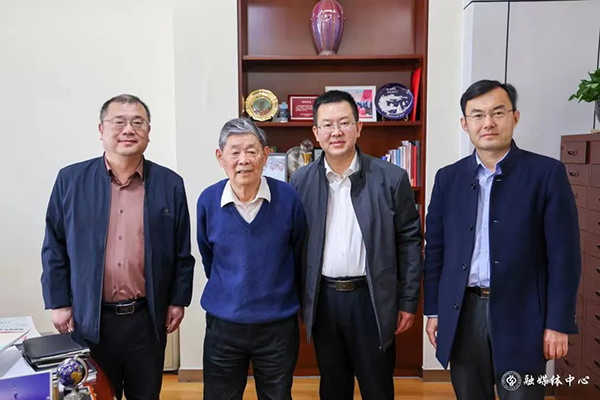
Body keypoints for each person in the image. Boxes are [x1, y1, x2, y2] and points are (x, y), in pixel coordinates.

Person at [423, 80, 581, 399]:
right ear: (465, 123)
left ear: (515, 117)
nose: (488, 123)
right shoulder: (448, 178)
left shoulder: (546, 174)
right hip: (464, 311)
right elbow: (436, 251)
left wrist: (558, 322)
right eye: (478, 115)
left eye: (498, 112)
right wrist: (434, 311)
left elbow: (564, 257)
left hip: (523, 313)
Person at [41, 94, 195, 400]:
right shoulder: (71, 180)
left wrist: (178, 301)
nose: (128, 130)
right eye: (119, 122)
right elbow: (54, 246)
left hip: (146, 319)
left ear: (148, 131)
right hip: (90, 318)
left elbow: (181, 250)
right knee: (94, 394)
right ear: (101, 129)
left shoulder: (170, 184)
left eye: (138, 122)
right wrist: (58, 303)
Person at [290, 90, 423, 400]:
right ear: (316, 132)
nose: (336, 131)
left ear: (359, 127)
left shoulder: (392, 178)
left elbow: (409, 242)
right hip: (324, 299)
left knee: (377, 386)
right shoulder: (300, 181)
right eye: (327, 125)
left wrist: (407, 301)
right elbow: (294, 245)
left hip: (371, 298)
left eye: (344, 123)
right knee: (333, 386)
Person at [196, 118, 305, 400]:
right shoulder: (208, 200)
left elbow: (298, 253)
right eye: (234, 152)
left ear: (265, 155)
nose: (243, 160)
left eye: (252, 151)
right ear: (220, 157)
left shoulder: (288, 198)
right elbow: (209, 257)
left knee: (277, 396)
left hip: (277, 325)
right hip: (224, 325)